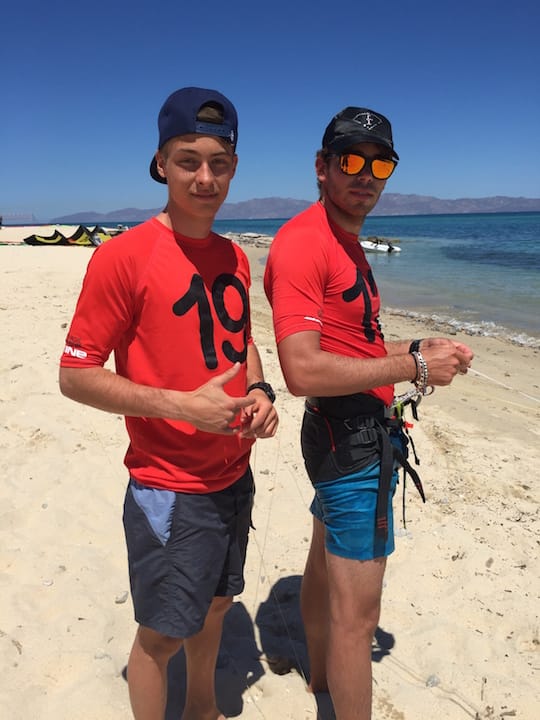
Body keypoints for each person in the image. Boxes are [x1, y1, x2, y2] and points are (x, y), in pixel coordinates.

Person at [59, 86, 278, 720]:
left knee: (216, 606)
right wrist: (183, 407)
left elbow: (241, 341)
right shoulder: (121, 258)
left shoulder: (234, 256)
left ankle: (201, 708)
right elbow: (75, 375)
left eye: (219, 163)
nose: (205, 178)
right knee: (160, 638)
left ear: (234, 168)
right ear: (161, 163)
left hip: (233, 474)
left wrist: (259, 391)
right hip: (170, 487)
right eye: (188, 161)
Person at [263, 106, 473, 720]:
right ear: (322, 166)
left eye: (381, 164)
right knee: (358, 621)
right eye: (352, 159)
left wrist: (417, 347)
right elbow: (302, 371)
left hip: (344, 434)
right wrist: (415, 367)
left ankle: (319, 681)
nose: (366, 174)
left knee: (321, 564)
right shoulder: (304, 243)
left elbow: (354, 345)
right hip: (348, 443)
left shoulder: (343, 241)